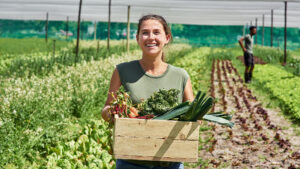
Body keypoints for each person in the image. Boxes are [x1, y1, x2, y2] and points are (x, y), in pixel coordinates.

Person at [101, 14, 194, 169]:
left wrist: (196, 118)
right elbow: (105, 110)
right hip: (130, 161)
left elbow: (193, 116)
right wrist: (114, 111)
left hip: (170, 161)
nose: (151, 37)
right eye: (145, 33)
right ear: (137, 38)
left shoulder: (181, 75)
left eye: (156, 32)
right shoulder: (122, 70)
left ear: (167, 38)